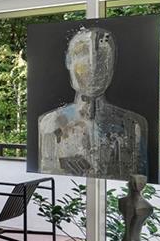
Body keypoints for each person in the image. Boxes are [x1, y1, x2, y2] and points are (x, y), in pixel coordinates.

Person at [38, 27, 147, 179]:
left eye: (102, 55)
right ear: (69, 61)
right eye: (82, 54)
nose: (93, 64)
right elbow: (47, 176)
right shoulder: (51, 124)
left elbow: (136, 180)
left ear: (112, 64)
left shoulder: (132, 125)